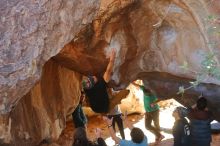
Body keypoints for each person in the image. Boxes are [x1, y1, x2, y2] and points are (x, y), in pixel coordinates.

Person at [82, 49, 130, 113]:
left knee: (101, 95)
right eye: (93, 79)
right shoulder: (100, 85)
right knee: (126, 92)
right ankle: (105, 112)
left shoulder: (86, 88)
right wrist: (112, 59)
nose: (93, 77)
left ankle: (103, 111)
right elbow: (108, 71)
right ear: (94, 84)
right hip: (106, 107)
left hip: (95, 108)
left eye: (90, 77)